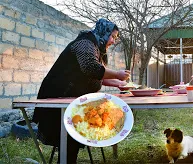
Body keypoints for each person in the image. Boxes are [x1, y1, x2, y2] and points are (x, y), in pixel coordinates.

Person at [32, 18, 130, 163]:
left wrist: (119, 83)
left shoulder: (96, 47)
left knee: (74, 135)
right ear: (104, 32)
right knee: (69, 136)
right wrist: (117, 74)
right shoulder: (85, 43)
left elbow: (97, 76)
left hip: (71, 98)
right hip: (58, 96)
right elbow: (90, 68)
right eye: (113, 36)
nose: (114, 41)